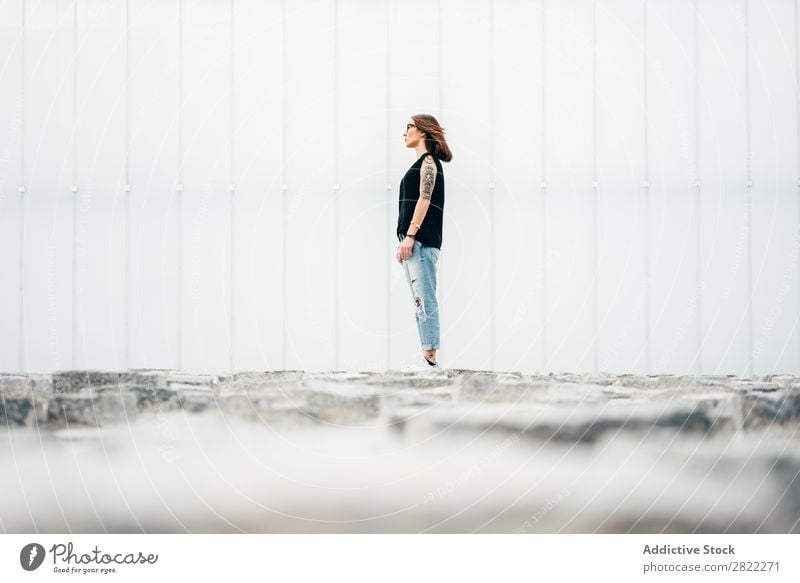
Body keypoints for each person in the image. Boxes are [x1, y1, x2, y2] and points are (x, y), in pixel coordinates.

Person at [396, 114, 453, 371]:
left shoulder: (429, 162)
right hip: (412, 242)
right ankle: (426, 356)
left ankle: (430, 359)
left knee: (425, 299)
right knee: (418, 301)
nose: (404, 132)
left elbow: (424, 199)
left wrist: (410, 236)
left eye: (408, 127)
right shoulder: (420, 163)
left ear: (422, 131)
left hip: (420, 241)